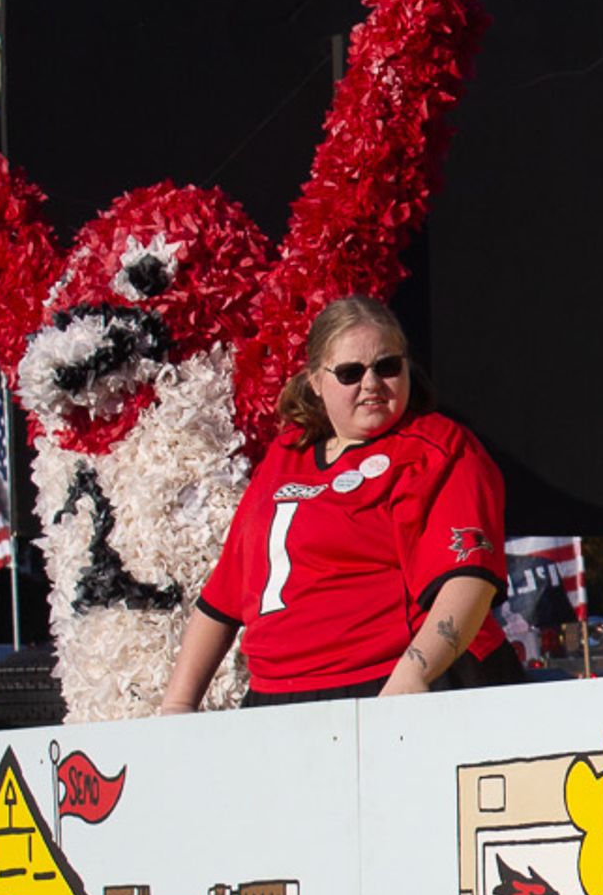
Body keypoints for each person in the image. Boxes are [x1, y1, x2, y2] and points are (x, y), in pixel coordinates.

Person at [164, 297, 508, 711]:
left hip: (397, 684)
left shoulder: (439, 447)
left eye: (387, 367)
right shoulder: (285, 454)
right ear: (316, 380)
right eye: (350, 372)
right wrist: (177, 708)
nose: (371, 384)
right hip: (280, 698)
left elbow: (469, 580)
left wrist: (412, 676)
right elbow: (223, 595)